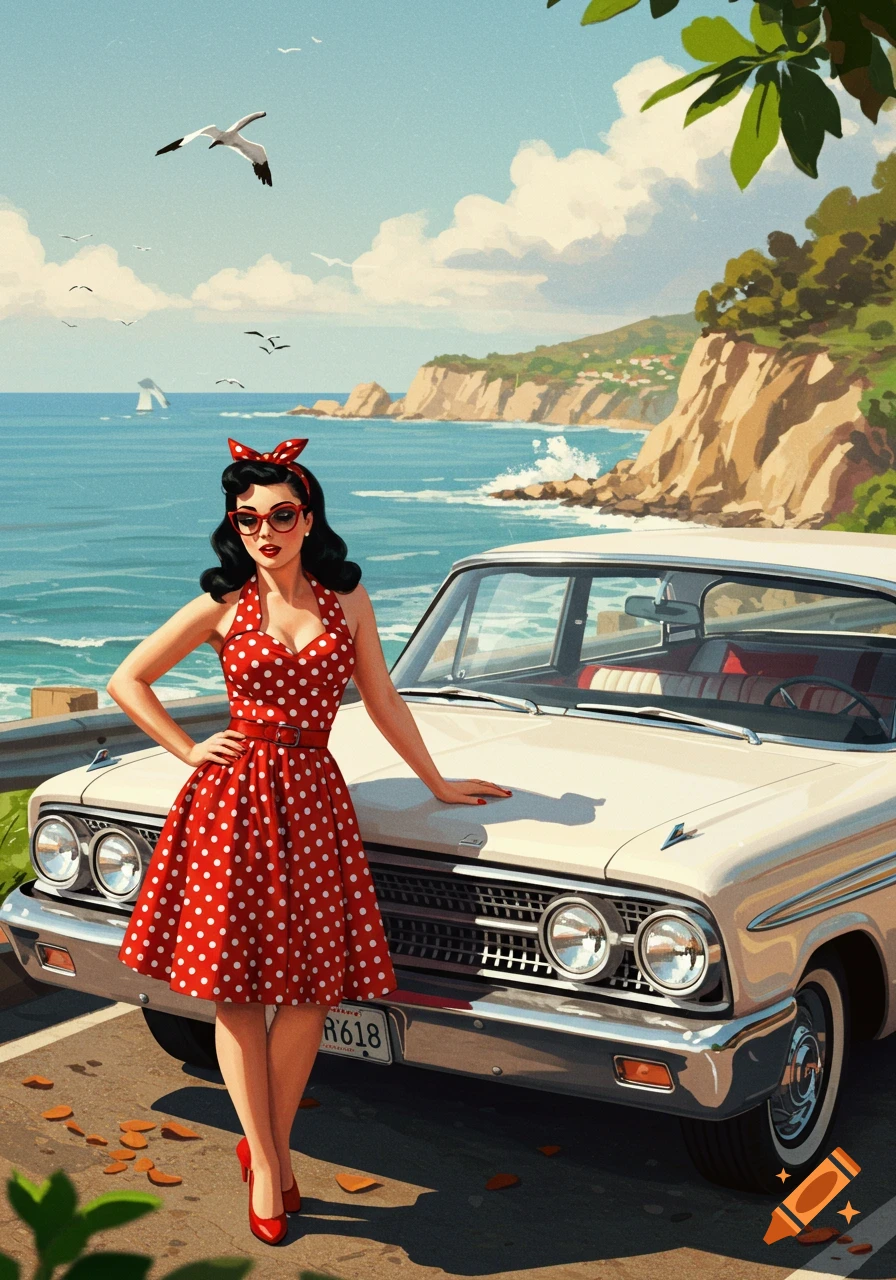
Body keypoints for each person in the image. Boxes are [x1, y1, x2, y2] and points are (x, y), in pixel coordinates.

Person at [108, 436, 511, 1245]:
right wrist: (189, 750)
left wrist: (437, 782)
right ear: (236, 526)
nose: (265, 530)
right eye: (248, 517)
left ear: (309, 518)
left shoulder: (346, 599)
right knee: (238, 992)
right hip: (233, 802)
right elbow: (126, 679)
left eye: (281, 514)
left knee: (307, 994)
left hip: (315, 801)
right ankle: (267, 1164)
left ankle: (271, 1154)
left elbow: (383, 698)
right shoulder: (221, 606)